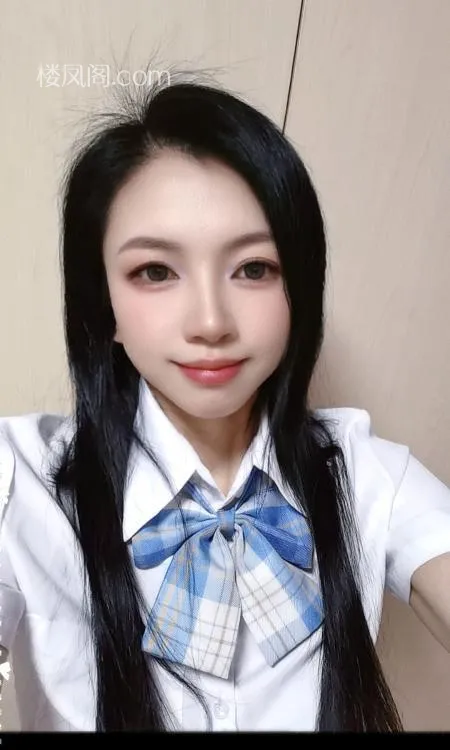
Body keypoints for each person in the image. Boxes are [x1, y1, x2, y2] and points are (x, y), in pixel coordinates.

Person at [0, 73, 449, 734]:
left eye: (254, 269)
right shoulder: (22, 481)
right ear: (105, 304)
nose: (210, 322)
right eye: (155, 272)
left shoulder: (363, 473)